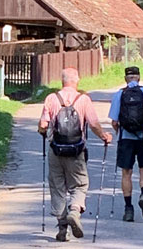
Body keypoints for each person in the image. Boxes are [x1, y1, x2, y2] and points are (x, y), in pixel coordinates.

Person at [38, 68, 112, 242]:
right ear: (77, 80)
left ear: (62, 81)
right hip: (76, 151)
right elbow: (93, 123)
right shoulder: (83, 99)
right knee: (80, 184)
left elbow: (43, 124)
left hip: (56, 150)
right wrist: (105, 137)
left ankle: (63, 227)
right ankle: (75, 210)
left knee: (57, 187)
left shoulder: (51, 98)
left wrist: (42, 131)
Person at [108, 66, 143, 222]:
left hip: (126, 138)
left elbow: (114, 121)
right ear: (139, 78)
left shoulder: (120, 94)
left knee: (126, 173)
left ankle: (128, 209)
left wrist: (120, 133)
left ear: (126, 78)